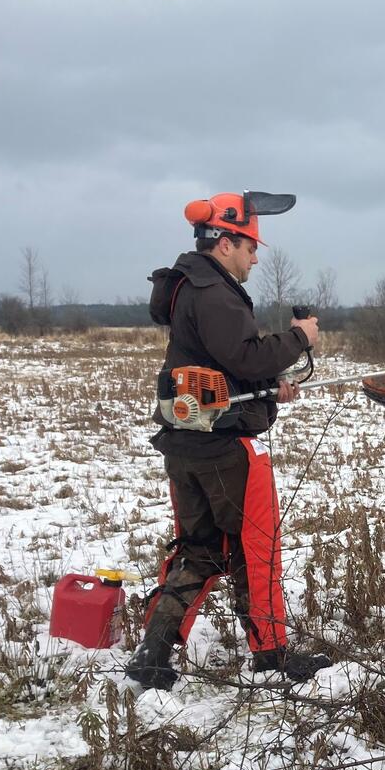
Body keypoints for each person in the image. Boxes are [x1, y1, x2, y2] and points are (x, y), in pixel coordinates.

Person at [125, 192, 332, 691]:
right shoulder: (214, 292)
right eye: (250, 246)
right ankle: (272, 655)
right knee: (255, 548)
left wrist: (270, 387)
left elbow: (225, 370)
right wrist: (300, 337)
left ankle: (153, 655)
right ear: (224, 242)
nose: (255, 257)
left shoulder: (189, 290)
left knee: (200, 549)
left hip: (187, 444)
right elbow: (245, 357)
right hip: (226, 448)